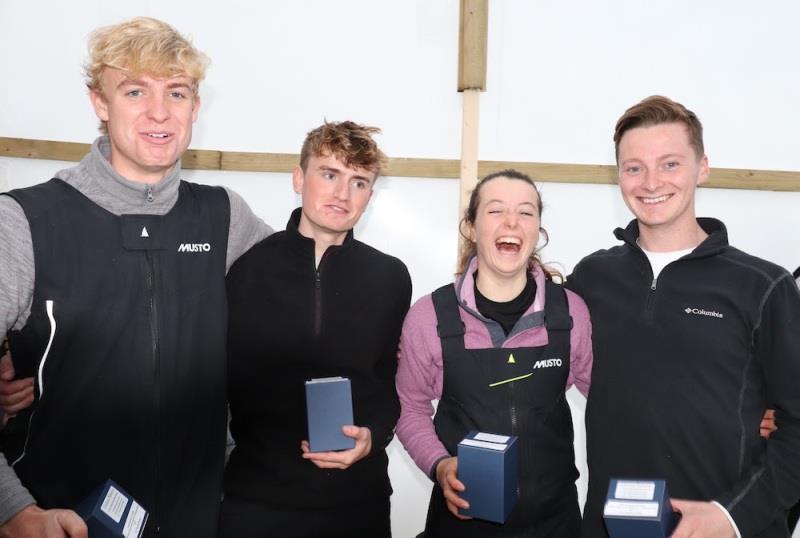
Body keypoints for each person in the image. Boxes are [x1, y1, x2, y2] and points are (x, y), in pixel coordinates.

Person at [0, 17, 270, 537]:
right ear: (100, 103)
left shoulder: (225, 217)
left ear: (195, 106)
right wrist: (12, 510)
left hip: (196, 515)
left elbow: (302, 292)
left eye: (177, 92)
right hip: (61, 517)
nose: (159, 112)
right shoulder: (23, 222)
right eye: (134, 90)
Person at [567, 96, 800, 538]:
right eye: (634, 167)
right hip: (609, 527)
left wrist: (732, 517)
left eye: (670, 164)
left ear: (703, 167)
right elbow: (524, 335)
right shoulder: (593, 277)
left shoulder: (762, 286)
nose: (651, 181)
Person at [221, 120, 412, 538]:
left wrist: (373, 437)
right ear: (298, 178)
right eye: (329, 174)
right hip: (255, 502)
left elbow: (392, 383)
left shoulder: (391, 277)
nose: (342, 194)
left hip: (357, 503)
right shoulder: (245, 271)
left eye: (358, 182)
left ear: (370, 196)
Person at [396, 169, 593, 537]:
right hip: (462, 521)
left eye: (526, 212)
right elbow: (410, 407)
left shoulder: (570, 314)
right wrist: (439, 466)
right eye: (495, 210)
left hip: (554, 523)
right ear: (471, 227)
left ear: (538, 230)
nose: (512, 222)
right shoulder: (430, 317)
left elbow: (612, 402)